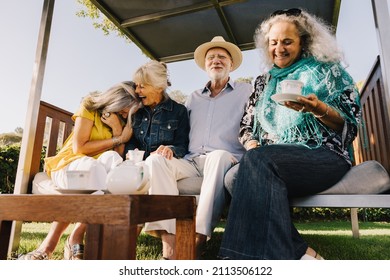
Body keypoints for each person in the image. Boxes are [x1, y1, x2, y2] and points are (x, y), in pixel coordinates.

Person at [218, 8, 361, 260]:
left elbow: (350, 125)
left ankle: (237, 261)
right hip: (273, 159)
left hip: (323, 155)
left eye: (287, 42)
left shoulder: (326, 71)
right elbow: (246, 124)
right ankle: (301, 254)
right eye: (273, 42)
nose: (279, 49)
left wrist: (319, 109)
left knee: (260, 161)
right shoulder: (262, 82)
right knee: (233, 178)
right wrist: (251, 143)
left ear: (303, 42)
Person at [142, 36, 252, 259]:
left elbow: (254, 124)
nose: (216, 60)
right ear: (205, 65)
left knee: (218, 156)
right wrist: (170, 147)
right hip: (191, 160)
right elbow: (181, 133)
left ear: (231, 64)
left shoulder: (246, 92)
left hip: (226, 159)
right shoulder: (193, 98)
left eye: (222, 57)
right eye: (211, 57)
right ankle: (169, 243)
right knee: (156, 160)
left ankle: (198, 237)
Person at [18, 81, 142, 260]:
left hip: (94, 173)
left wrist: (117, 130)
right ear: (116, 100)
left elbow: (117, 157)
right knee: (92, 168)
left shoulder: (121, 123)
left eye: (128, 113)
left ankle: (71, 237)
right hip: (68, 165)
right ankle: (64, 242)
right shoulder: (90, 106)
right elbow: (79, 148)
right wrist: (118, 138)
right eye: (124, 110)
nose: (125, 115)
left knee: (113, 160)